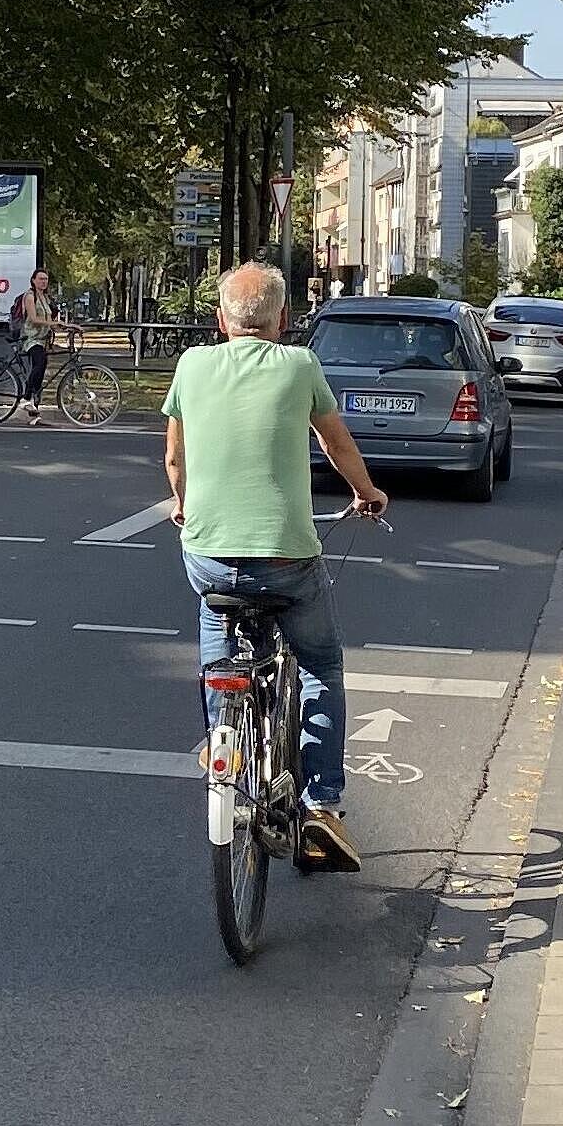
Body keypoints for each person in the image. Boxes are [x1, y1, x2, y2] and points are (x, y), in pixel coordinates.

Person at [163, 262, 388, 871]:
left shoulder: (191, 365)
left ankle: (224, 748)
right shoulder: (298, 366)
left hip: (209, 556)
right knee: (319, 663)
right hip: (287, 557)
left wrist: (184, 507)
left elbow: (176, 458)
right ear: (283, 321)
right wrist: (366, 493)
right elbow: (336, 444)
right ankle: (322, 806)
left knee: (218, 653)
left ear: (220, 320)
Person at [7, 268, 64, 425]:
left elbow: (49, 320)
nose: (43, 282)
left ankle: (33, 412)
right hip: (30, 338)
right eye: (40, 279)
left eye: (45, 279)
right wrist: (53, 323)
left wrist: (67, 326)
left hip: (42, 339)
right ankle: (26, 398)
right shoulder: (30, 296)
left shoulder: (45, 298)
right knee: (40, 363)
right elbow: (33, 319)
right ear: (33, 280)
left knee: (41, 368)